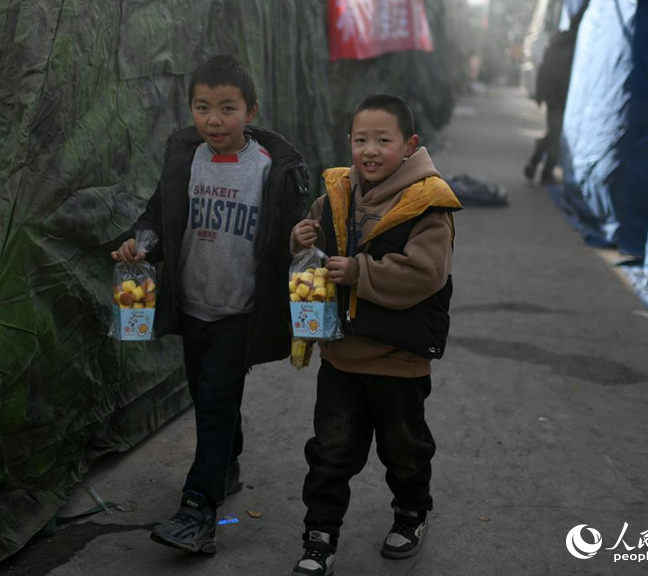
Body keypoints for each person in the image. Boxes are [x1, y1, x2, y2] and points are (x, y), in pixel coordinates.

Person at [110, 54, 309, 555]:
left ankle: (198, 509)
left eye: (227, 108)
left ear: (251, 111)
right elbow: (158, 215)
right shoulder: (186, 159)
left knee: (217, 402)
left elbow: (290, 234)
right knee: (208, 399)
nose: (213, 120)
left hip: (239, 312)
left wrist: (303, 240)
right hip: (192, 306)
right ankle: (228, 464)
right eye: (202, 108)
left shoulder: (269, 169)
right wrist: (142, 242)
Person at [288, 94, 461, 575]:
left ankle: (411, 513)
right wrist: (301, 237)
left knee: (404, 449)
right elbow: (317, 244)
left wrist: (359, 272)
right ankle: (320, 535)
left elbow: (425, 273)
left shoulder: (428, 202)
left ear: (409, 145)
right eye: (361, 139)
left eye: (383, 140)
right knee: (329, 451)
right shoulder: (337, 192)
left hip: (397, 359)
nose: (369, 150)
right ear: (349, 142)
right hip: (341, 357)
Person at [525, 27, 577, 183]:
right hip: (562, 97)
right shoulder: (574, 46)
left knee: (554, 133)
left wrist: (540, 94)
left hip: (553, 96)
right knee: (556, 135)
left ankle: (537, 164)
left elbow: (543, 69)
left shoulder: (554, 44)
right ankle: (543, 170)